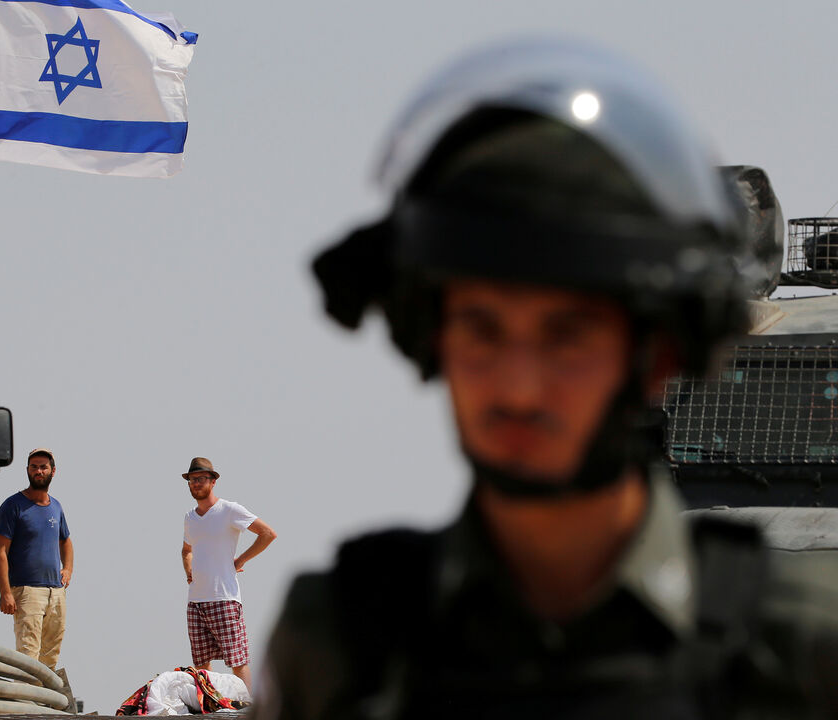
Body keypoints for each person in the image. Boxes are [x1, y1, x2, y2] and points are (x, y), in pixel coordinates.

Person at [257, 38, 838, 719]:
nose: (520, 384)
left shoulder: (799, 644)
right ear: (428, 342)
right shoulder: (341, 643)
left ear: (654, 358)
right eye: (483, 330)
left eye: (567, 337)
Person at [181, 456, 277, 694]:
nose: (196, 483)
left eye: (201, 479)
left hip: (224, 597)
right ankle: (211, 707)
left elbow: (267, 533)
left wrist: (241, 560)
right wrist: (189, 570)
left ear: (213, 481)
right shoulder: (190, 518)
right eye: (192, 480)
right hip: (196, 601)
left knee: (237, 660)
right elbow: (186, 550)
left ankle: (249, 710)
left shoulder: (229, 510)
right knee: (202, 664)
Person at [0, 447, 73, 670]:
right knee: (28, 655)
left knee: (50, 655)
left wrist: (67, 569)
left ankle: (43, 703)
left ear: (52, 471)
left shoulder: (56, 506)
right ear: (27, 471)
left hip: (56, 592)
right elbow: (1, 551)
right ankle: (26, 701)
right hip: (27, 591)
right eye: (34, 467)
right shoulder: (13, 506)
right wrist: (5, 592)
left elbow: (66, 541)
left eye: (43, 467)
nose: (38, 471)